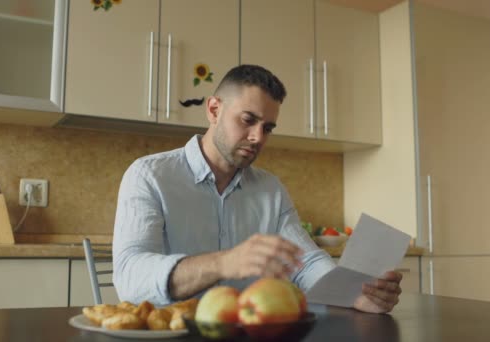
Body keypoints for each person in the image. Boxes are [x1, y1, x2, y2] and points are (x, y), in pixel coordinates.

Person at [112, 64, 402, 313]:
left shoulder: (270, 189)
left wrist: (355, 294)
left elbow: (305, 262)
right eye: (248, 120)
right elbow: (130, 276)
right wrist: (223, 263)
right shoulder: (150, 175)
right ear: (214, 110)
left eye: (268, 128)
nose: (257, 137)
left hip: (251, 331)